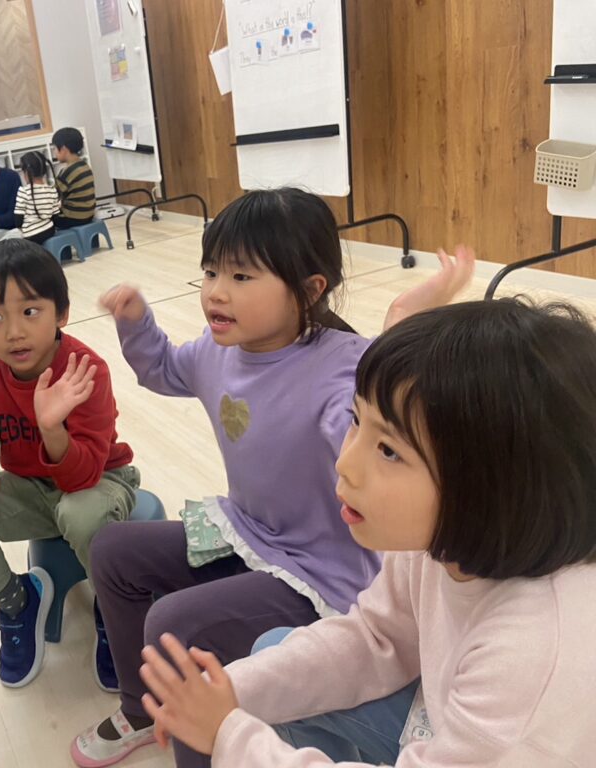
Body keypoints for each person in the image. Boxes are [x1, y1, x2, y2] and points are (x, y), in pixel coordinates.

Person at [72, 189, 474, 767]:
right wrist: (136, 322)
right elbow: (161, 368)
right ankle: (142, 709)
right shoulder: (217, 351)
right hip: (248, 532)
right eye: (211, 271)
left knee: (174, 625)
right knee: (113, 550)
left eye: (241, 275)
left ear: (309, 290)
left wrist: (399, 328)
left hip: (318, 571)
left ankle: (206, 746)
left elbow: (379, 439)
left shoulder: (342, 369)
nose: (216, 291)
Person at [138, 298, 596, 767]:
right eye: (357, 420)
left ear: (491, 488)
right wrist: (228, 693)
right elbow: (376, 637)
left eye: (389, 450)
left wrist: (231, 736)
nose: (345, 463)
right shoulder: (438, 538)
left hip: (504, 736)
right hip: (450, 715)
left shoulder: (531, 655)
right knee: (272, 654)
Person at [0, 239, 139, 689]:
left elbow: (83, 476)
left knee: (80, 513)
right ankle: (18, 601)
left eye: (30, 311)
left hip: (100, 481)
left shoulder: (86, 369)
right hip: (33, 488)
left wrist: (52, 428)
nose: (14, 332)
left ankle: (115, 609)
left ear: (61, 313)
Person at [51, 127, 96, 229]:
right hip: (88, 214)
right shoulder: (84, 165)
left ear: (63, 149)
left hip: (73, 218)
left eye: (55, 149)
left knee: (45, 219)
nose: (54, 152)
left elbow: (53, 195)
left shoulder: (67, 171)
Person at [14, 151, 60, 245]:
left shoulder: (23, 191)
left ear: (26, 172)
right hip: (49, 231)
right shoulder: (52, 190)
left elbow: (18, 220)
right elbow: (55, 216)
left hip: (30, 235)